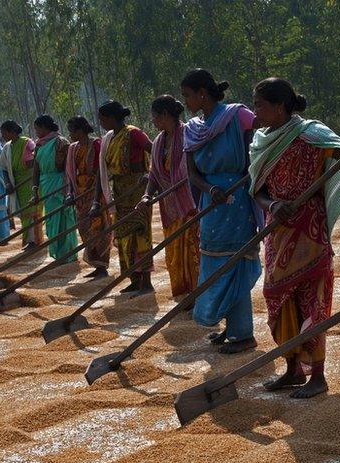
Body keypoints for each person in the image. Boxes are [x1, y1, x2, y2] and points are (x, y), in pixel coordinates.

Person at [249, 77, 340, 398]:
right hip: (278, 232)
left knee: (314, 301)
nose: (255, 111)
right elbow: (258, 191)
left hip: (310, 231)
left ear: (280, 107)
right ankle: (293, 369)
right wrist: (274, 205)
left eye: (259, 104)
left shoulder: (312, 134)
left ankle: (318, 376)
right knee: (277, 298)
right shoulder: (261, 142)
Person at [181, 68, 260, 354]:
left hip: (238, 201)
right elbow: (191, 173)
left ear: (202, 93)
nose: (186, 101)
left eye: (188, 95)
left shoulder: (237, 116)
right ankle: (230, 327)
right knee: (215, 264)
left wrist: (247, 177)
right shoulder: (192, 129)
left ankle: (243, 334)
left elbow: (258, 149)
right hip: (212, 204)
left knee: (235, 263)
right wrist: (209, 189)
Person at [138, 95, 199, 298]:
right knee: (173, 253)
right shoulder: (158, 142)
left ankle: (196, 295)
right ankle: (183, 295)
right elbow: (154, 174)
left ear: (165, 115)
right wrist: (147, 195)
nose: (153, 121)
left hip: (189, 204)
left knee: (192, 253)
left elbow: (193, 169)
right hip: (168, 207)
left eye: (155, 117)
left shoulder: (188, 134)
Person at [96, 101, 154, 294]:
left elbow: (153, 149)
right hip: (120, 191)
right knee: (123, 237)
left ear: (112, 117)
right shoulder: (109, 138)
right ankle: (133, 278)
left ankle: (146, 281)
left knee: (140, 234)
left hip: (137, 189)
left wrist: (150, 173)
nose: (101, 122)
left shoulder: (133, 133)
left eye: (103, 118)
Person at [65, 116, 112, 278]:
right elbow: (71, 173)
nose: (70, 134)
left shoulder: (96, 144)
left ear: (80, 131)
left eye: (72, 131)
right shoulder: (73, 148)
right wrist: (70, 193)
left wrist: (96, 200)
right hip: (80, 194)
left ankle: (102, 267)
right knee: (84, 228)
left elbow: (101, 171)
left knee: (98, 228)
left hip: (95, 192)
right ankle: (95, 264)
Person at [32, 115, 78, 262]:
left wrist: (69, 187)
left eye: (37, 128)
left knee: (64, 219)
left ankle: (68, 254)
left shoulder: (61, 142)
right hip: (46, 185)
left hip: (60, 184)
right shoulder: (39, 145)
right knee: (51, 220)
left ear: (45, 127)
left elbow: (69, 167)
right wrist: (35, 190)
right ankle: (57, 253)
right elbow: (36, 169)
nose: (36, 132)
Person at [0, 120, 42, 249]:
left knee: (33, 213)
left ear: (11, 131)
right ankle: (28, 240)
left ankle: (35, 240)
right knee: (24, 214)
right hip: (16, 184)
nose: (3, 135)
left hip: (30, 182)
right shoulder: (7, 147)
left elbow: (36, 159)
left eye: (4, 133)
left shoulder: (27, 143)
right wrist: (7, 183)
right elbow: (3, 167)